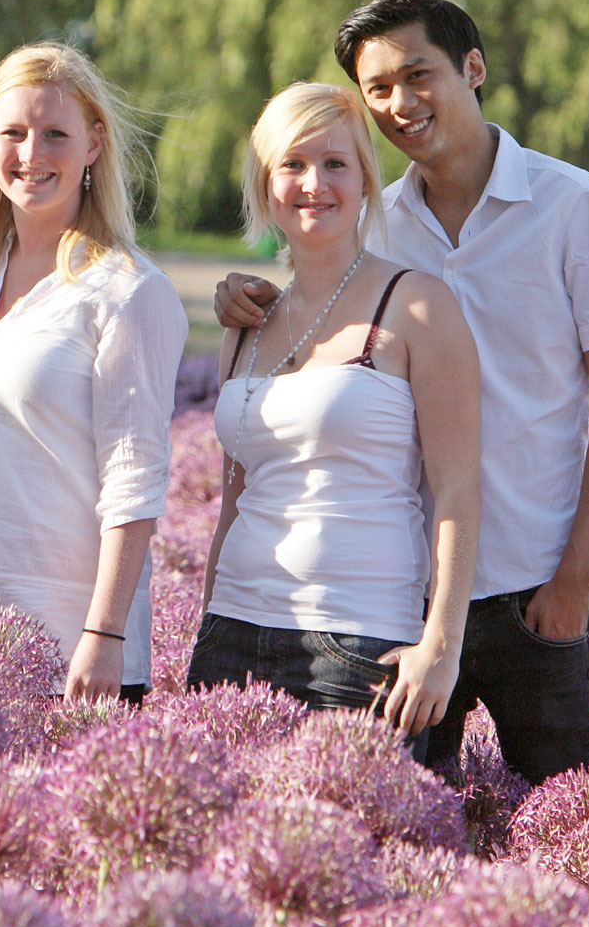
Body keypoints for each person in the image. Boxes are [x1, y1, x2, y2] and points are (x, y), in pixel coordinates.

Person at [215, 0, 589, 783]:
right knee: (413, 841)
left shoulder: (572, 206)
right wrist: (244, 295)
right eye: (376, 89)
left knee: (560, 828)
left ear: (472, 68)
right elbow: (312, 324)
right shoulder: (371, 221)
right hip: (397, 600)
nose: (398, 104)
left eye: (418, 75)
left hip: (534, 593)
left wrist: (573, 580)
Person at [192, 82, 482, 741]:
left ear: (365, 181)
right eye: (291, 164)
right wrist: (207, 622)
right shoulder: (247, 320)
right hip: (233, 634)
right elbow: (233, 497)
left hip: (356, 644)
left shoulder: (416, 306)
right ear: (264, 183)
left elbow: (458, 487)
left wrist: (440, 645)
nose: (312, 184)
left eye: (334, 164)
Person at [0, 44, 185, 701]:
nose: (31, 153)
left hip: (66, 644)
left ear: (93, 145)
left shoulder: (125, 291)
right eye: (11, 132)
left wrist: (105, 634)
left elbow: (135, 474)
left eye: (55, 134)